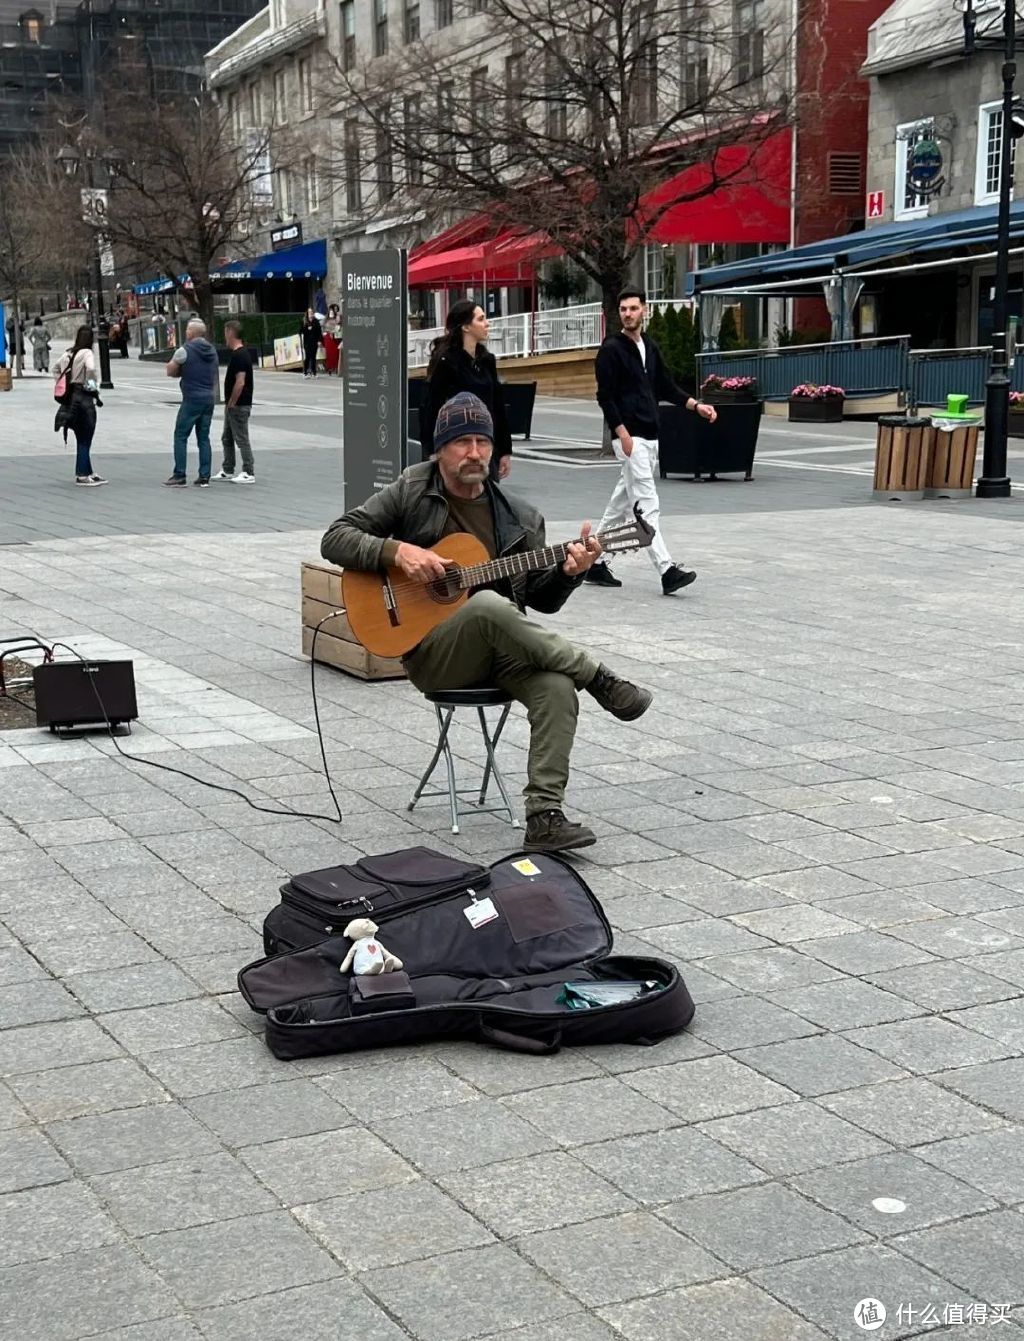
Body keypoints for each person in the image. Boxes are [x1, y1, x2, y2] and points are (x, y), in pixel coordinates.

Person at [321, 391, 653, 854]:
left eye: (483, 441)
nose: (475, 452)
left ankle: (544, 816)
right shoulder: (412, 489)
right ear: (439, 449)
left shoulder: (520, 517)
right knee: (487, 607)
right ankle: (597, 677)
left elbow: (541, 601)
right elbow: (335, 538)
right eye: (462, 442)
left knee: (556, 685)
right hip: (435, 654)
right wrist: (398, 551)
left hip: (501, 654)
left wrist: (568, 573)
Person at [587, 287, 717, 595]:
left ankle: (594, 562)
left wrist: (696, 406)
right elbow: (604, 396)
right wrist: (622, 434)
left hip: (651, 437)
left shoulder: (650, 347)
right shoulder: (611, 349)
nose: (628, 314)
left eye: (633, 308)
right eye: (623, 309)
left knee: (620, 505)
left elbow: (667, 387)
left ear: (644, 310)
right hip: (631, 439)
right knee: (647, 505)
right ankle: (666, 569)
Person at [420, 300, 513, 479]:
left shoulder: (487, 360)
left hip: (486, 444)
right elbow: (431, 407)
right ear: (466, 327)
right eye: (481, 319)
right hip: (457, 446)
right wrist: (432, 451)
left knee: (486, 500)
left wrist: (505, 451)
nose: (487, 324)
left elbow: (497, 406)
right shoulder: (446, 362)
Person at [164, 317, 218, 487]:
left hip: (192, 398)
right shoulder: (212, 350)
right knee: (204, 437)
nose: (186, 331)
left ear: (193, 333)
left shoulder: (184, 350)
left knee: (180, 435)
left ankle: (179, 474)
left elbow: (170, 370)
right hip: (209, 398)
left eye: (188, 329)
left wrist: (181, 371)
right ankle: (204, 474)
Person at [54, 324, 106, 487]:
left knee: (80, 436)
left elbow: (56, 369)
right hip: (83, 396)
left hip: (70, 397)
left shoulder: (68, 353)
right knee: (86, 436)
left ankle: (88, 470)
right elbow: (90, 369)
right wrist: (92, 387)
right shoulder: (87, 353)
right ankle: (82, 475)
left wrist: (62, 383)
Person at [213, 320, 255, 484]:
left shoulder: (240, 355)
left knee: (241, 437)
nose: (224, 336)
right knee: (227, 437)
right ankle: (228, 468)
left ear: (230, 332)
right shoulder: (239, 354)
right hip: (233, 405)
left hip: (238, 404)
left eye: (225, 332)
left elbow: (240, 381)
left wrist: (232, 402)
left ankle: (248, 471)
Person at [300, 308, 323, 378]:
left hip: (314, 341)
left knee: (313, 357)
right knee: (307, 357)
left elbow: (319, 332)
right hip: (307, 342)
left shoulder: (316, 322)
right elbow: (300, 331)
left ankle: (314, 372)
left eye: (312, 313)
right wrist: (306, 329)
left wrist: (319, 341)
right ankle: (305, 372)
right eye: (309, 313)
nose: (311, 314)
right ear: (307, 313)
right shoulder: (304, 321)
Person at [322, 304, 341, 376]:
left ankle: (336, 368)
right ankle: (329, 368)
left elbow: (338, 325)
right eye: (334, 309)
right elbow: (323, 326)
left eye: (336, 309)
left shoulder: (337, 317)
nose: (334, 310)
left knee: (336, 352)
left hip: (335, 336)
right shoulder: (326, 318)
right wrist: (325, 333)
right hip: (328, 337)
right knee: (329, 353)